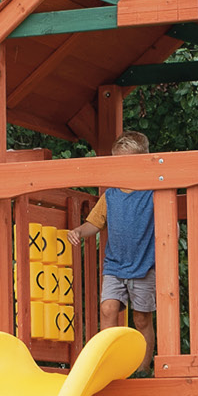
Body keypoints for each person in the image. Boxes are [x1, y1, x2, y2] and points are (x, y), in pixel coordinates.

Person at [67, 130, 156, 372]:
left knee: (142, 318)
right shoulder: (111, 195)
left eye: (128, 163)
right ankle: (108, 364)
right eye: (118, 163)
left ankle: (142, 369)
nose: (122, 169)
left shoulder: (152, 192)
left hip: (144, 265)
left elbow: (168, 221)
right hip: (115, 265)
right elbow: (95, 223)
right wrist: (79, 231)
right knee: (108, 309)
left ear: (143, 162)